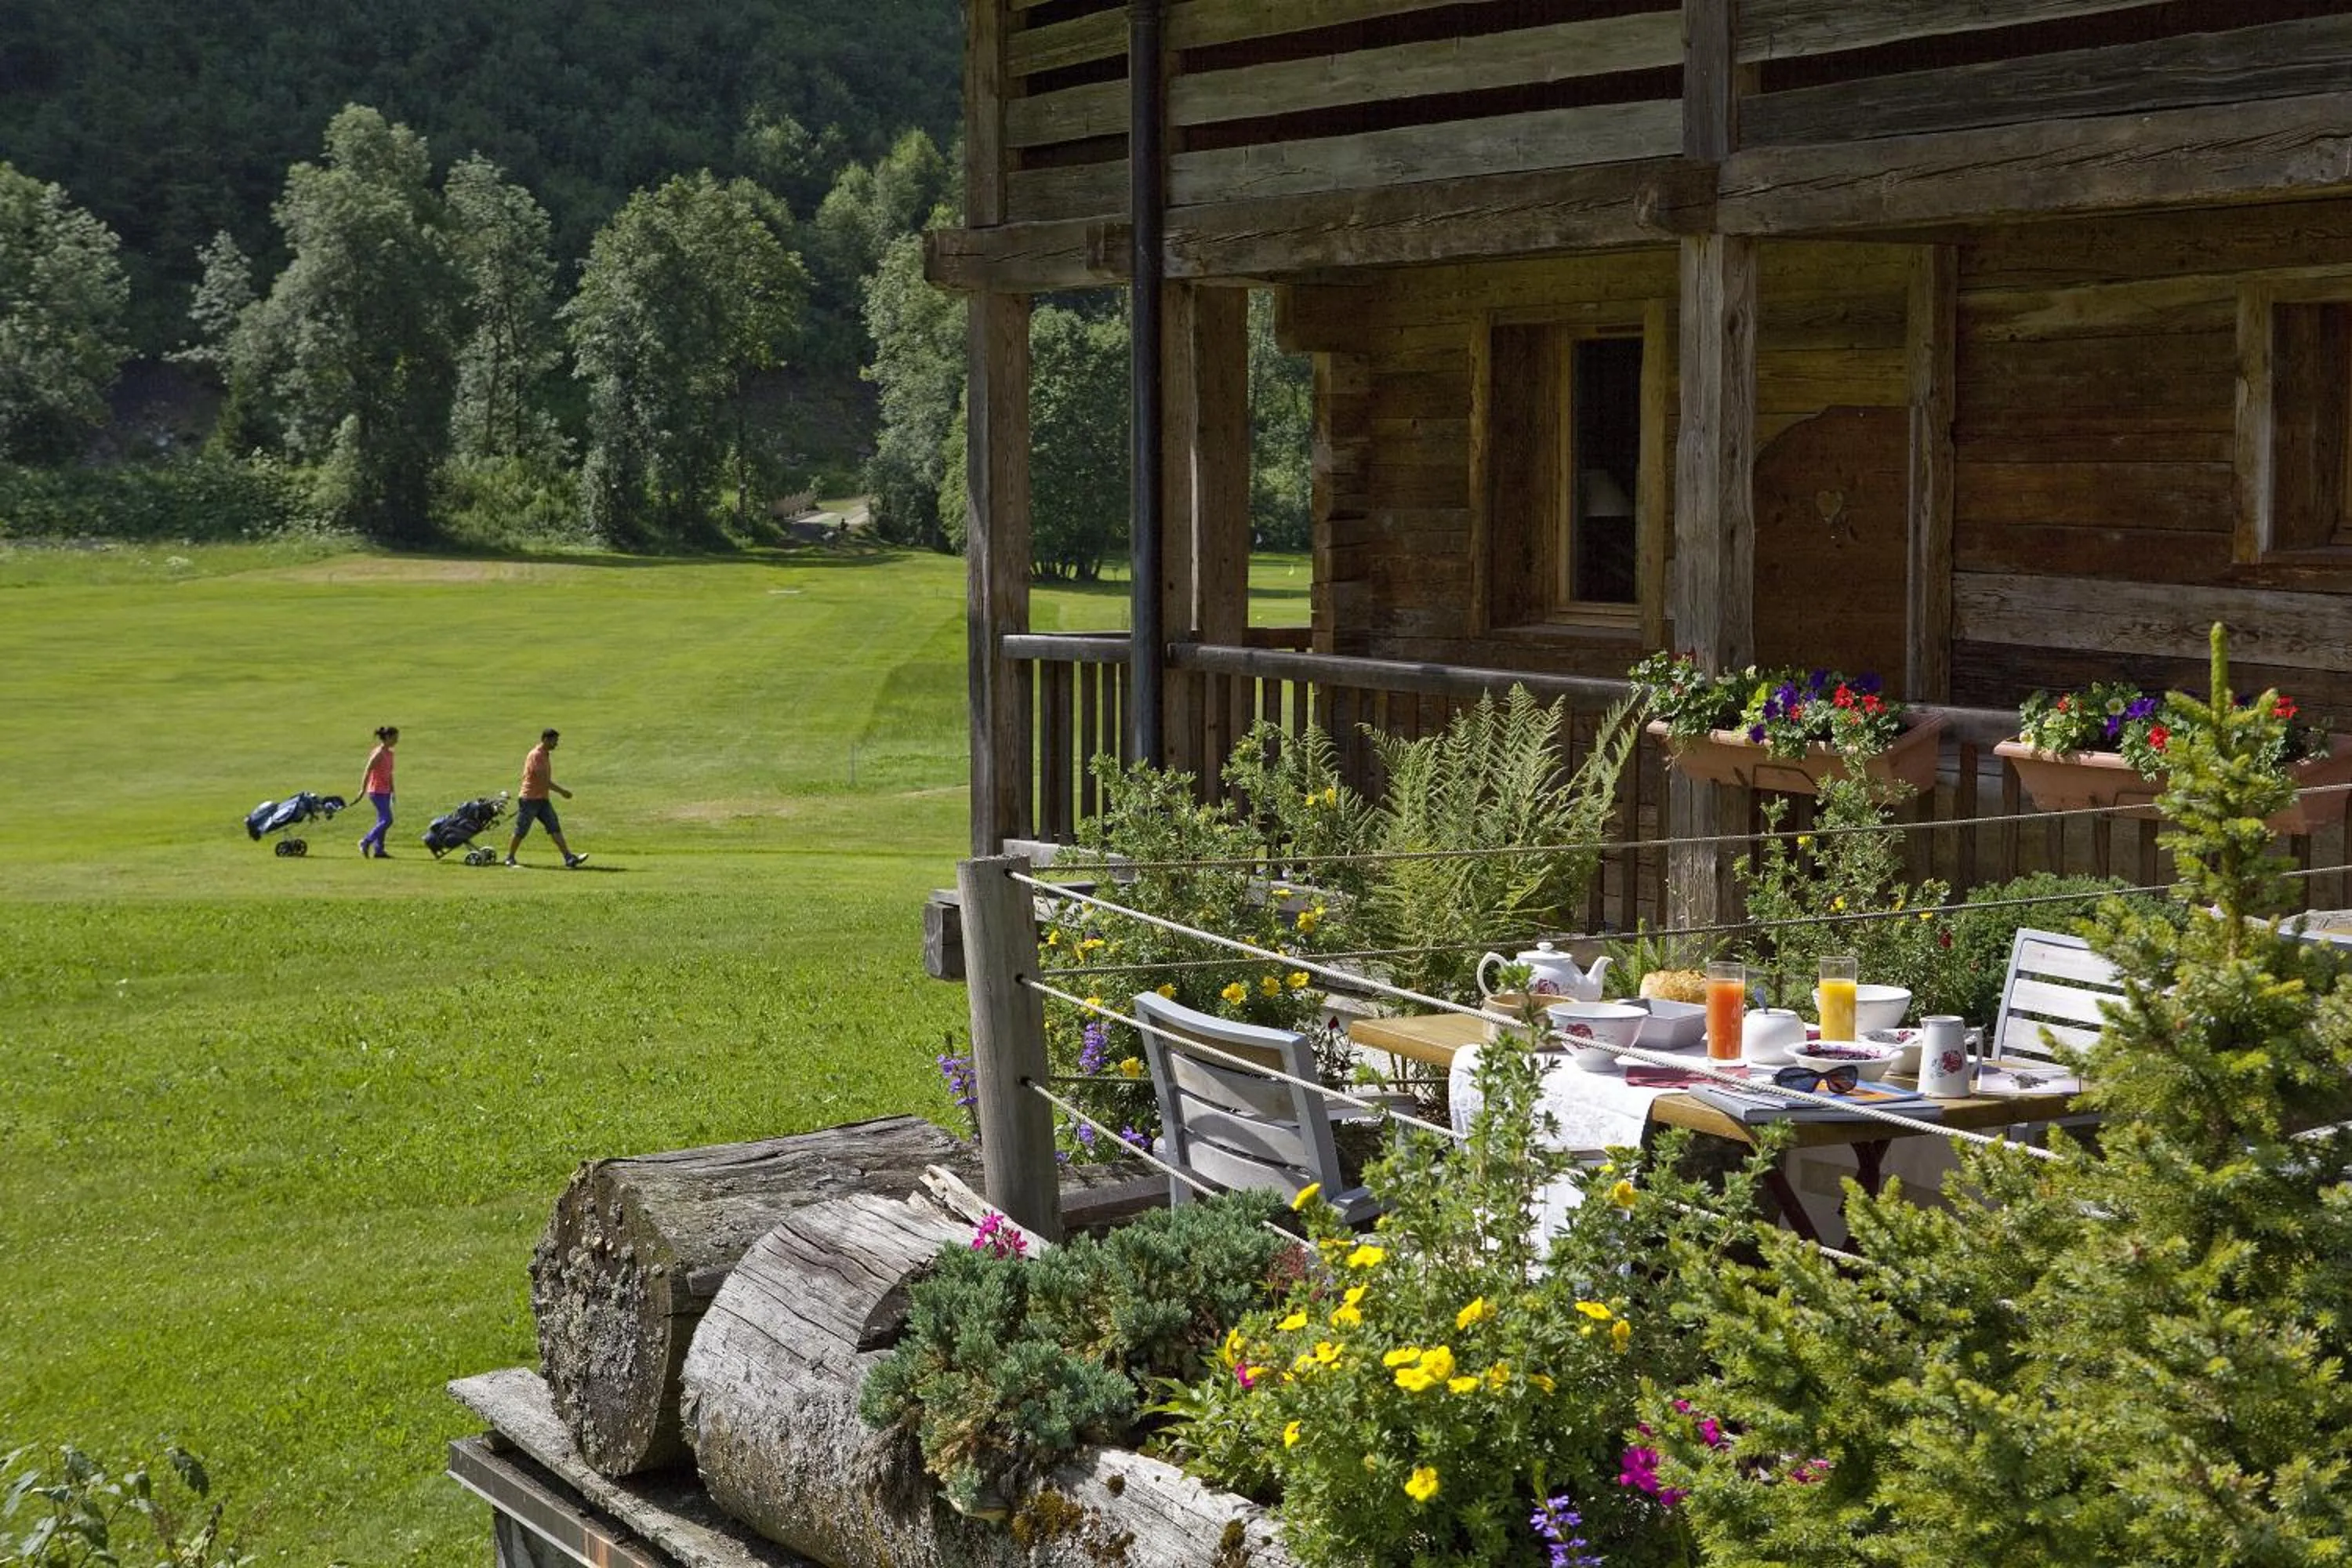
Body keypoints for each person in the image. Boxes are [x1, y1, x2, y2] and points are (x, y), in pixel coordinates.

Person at [505, 728, 586, 868]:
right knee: (521, 830)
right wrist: (562, 792)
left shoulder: (545, 754)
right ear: (545, 740)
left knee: (554, 827)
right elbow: (543, 781)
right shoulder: (536, 755)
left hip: (542, 799)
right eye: (555, 741)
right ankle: (509, 858)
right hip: (529, 799)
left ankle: (569, 858)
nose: (556, 744)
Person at [357, 725, 398, 858]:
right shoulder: (378, 753)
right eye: (394, 738)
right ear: (387, 737)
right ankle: (366, 841)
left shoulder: (390, 753)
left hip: (385, 791)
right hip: (376, 791)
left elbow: (389, 773)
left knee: (382, 820)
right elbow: (368, 770)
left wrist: (392, 790)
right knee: (387, 820)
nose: (396, 740)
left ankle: (379, 850)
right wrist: (362, 789)